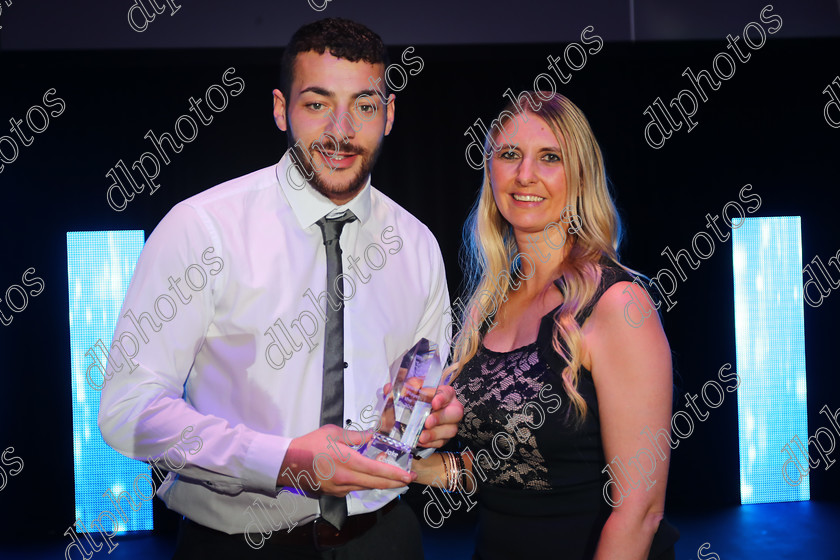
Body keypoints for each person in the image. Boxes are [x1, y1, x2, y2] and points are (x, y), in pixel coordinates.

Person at [97, 18, 462, 559]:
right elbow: (128, 410)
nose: (341, 131)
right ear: (279, 108)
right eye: (317, 104)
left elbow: (411, 401)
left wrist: (420, 422)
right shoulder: (203, 229)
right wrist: (281, 460)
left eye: (363, 105)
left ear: (388, 115)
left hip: (385, 539)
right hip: (237, 545)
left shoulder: (417, 244)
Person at [412, 92, 679, 559]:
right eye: (509, 155)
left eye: (549, 157)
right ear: (490, 170)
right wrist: (404, 467)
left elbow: (640, 512)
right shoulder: (487, 307)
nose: (524, 175)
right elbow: (492, 468)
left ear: (578, 177)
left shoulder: (617, 304)